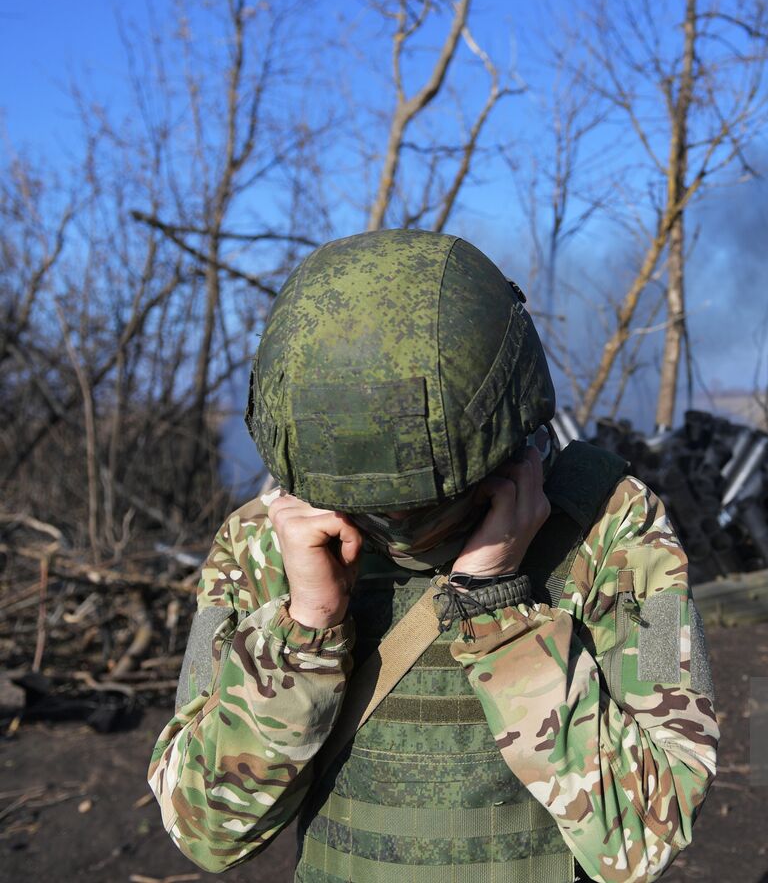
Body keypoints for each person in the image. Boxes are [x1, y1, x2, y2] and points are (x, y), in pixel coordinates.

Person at [148, 230, 718, 883]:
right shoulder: (259, 543)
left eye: (428, 502)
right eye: (367, 507)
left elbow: (655, 824)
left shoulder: (615, 525)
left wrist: (498, 612)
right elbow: (203, 830)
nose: (397, 526)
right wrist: (304, 630)